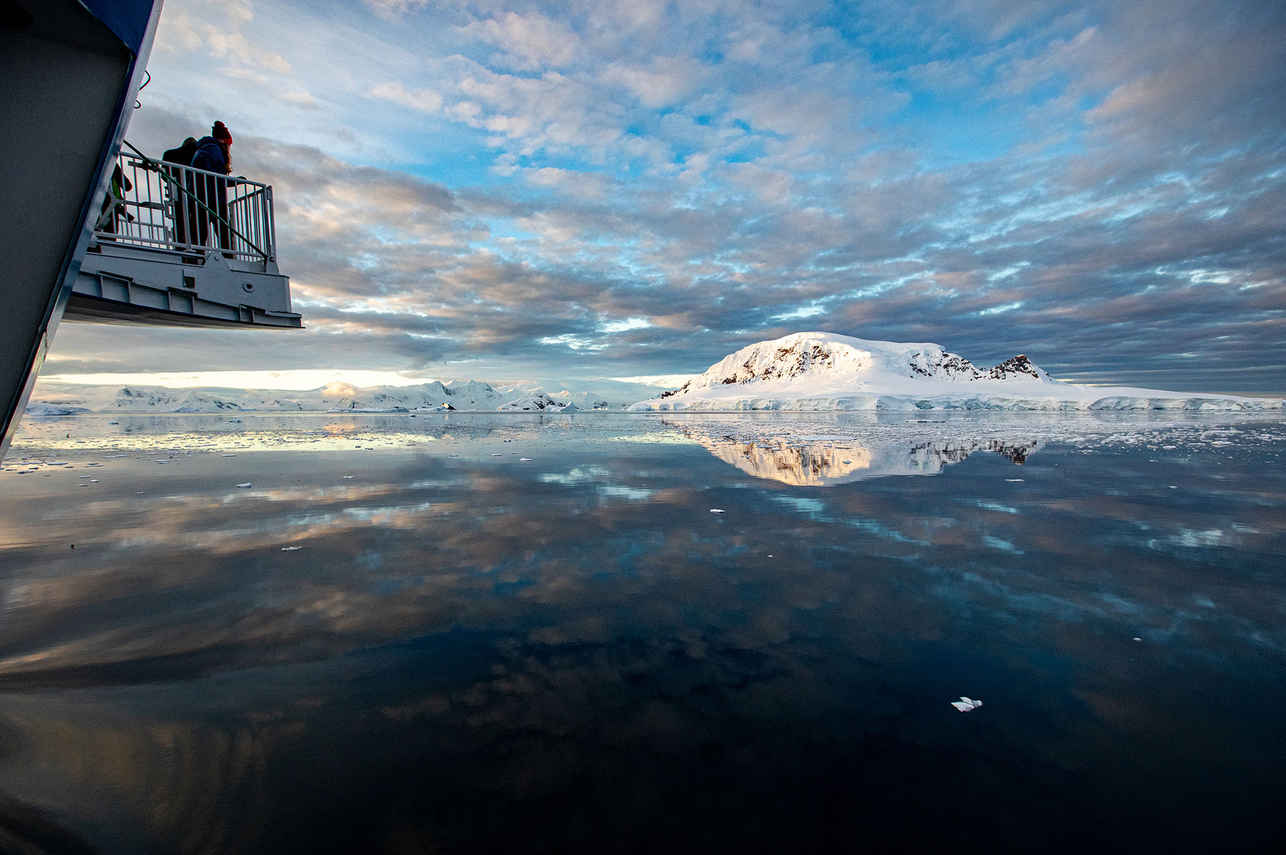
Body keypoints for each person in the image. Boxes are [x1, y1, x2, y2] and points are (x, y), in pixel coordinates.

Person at [191, 121, 234, 253]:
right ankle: (227, 256)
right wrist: (234, 182)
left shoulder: (204, 149)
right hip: (211, 197)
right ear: (225, 141)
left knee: (200, 230)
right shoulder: (214, 150)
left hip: (203, 196)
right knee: (223, 231)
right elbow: (215, 176)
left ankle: (199, 254)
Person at [161, 137, 198, 246]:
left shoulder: (170, 154)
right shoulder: (197, 156)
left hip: (176, 192)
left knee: (179, 220)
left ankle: (180, 245)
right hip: (195, 193)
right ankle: (195, 246)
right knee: (195, 223)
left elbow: (164, 175)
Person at [96, 163, 133, 236]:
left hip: (98, 204)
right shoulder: (112, 164)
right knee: (109, 236)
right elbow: (127, 186)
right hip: (111, 206)